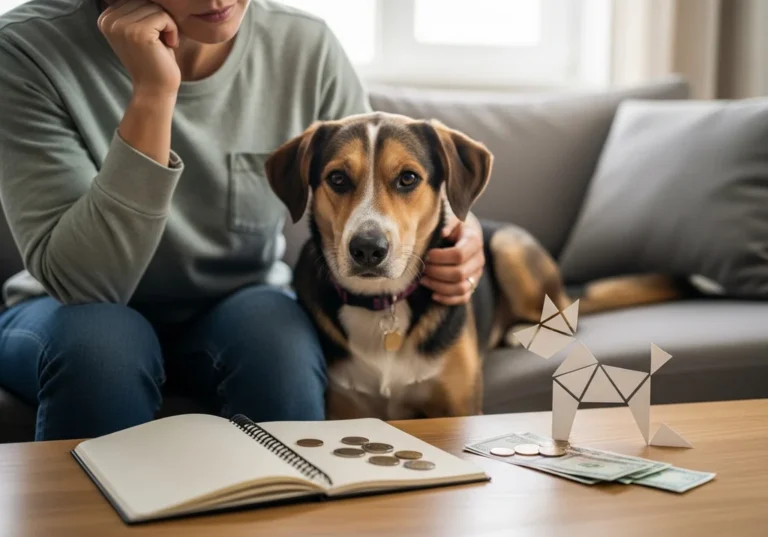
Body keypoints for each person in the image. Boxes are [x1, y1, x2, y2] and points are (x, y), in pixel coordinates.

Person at [0, 0, 485, 441]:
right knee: (103, 352)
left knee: (278, 353)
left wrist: (463, 232)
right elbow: (84, 282)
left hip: (239, 304)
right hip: (70, 310)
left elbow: (381, 181)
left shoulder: (305, 45)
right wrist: (153, 93)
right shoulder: (27, 48)